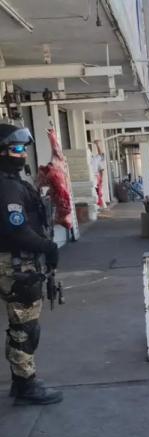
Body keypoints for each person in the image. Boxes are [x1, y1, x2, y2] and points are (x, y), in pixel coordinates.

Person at [0, 124, 63, 405]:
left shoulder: (12, 182)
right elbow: (18, 230)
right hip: (16, 265)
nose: (22, 154)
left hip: (20, 263)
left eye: (24, 148)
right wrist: (48, 247)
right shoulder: (8, 187)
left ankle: (21, 381)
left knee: (22, 326)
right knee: (24, 328)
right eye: (16, 149)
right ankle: (26, 385)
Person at [90, 139, 106, 208]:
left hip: (95, 178)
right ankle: (98, 204)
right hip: (95, 178)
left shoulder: (95, 160)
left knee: (98, 192)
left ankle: (99, 204)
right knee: (97, 192)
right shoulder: (95, 160)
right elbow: (100, 154)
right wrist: (97, 144)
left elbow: (102, 171)